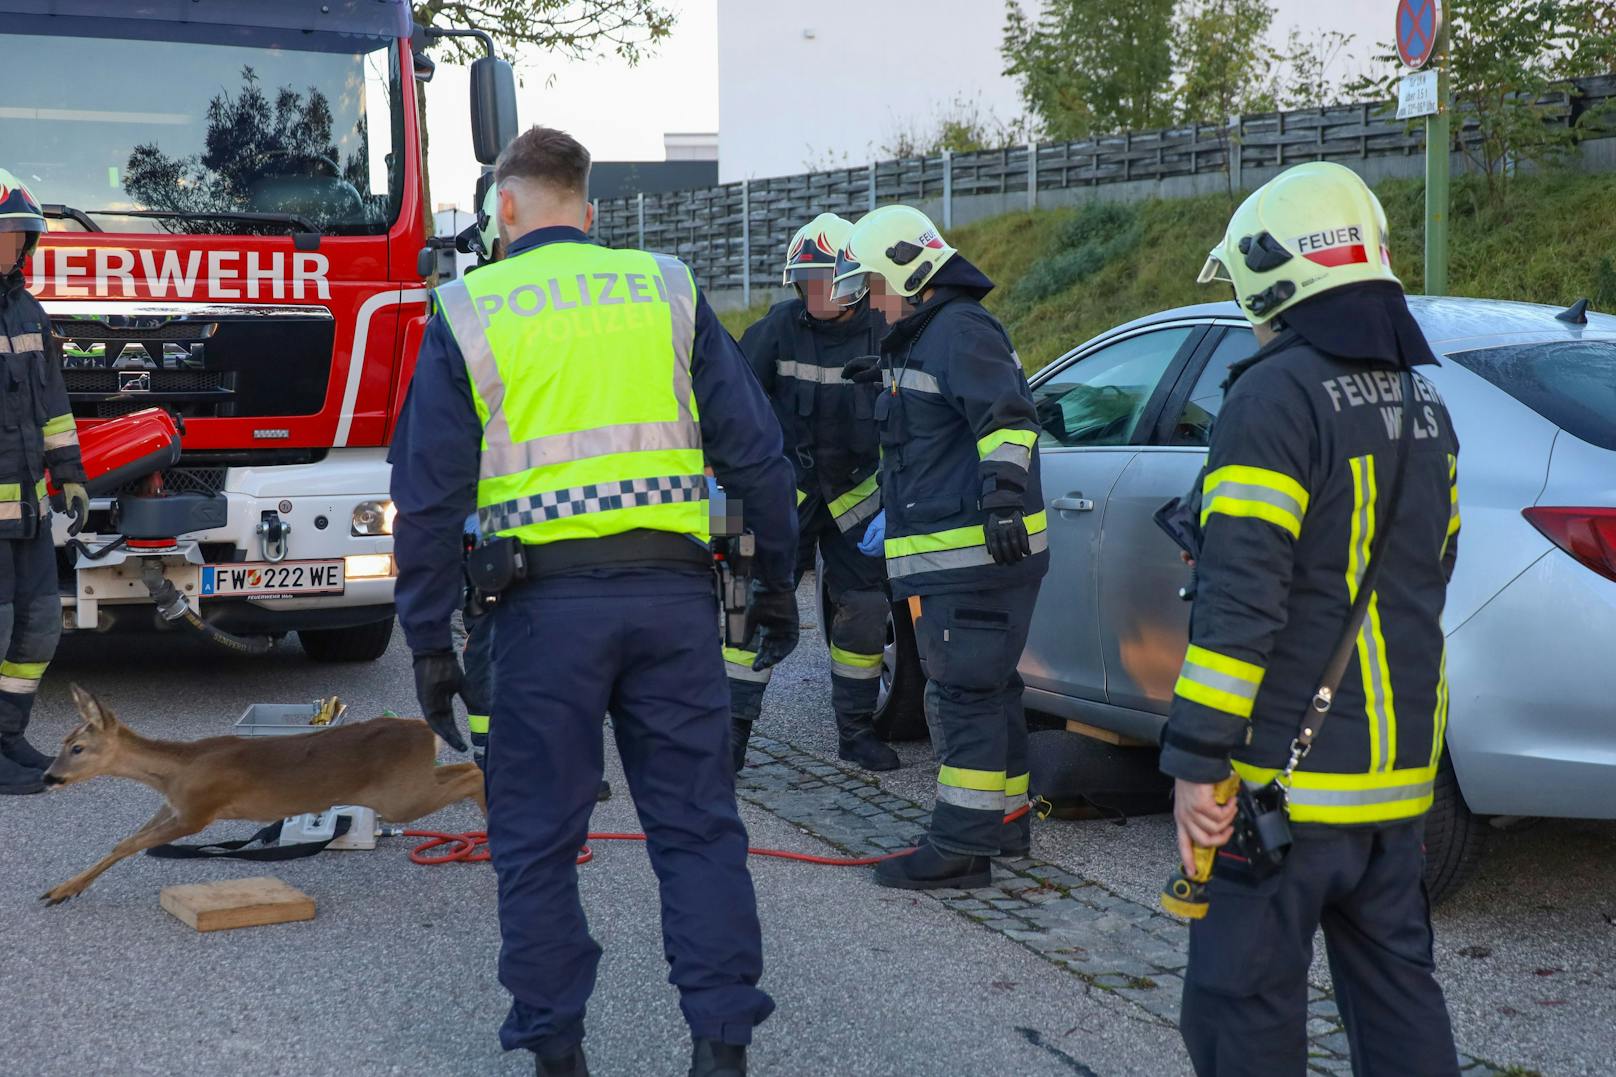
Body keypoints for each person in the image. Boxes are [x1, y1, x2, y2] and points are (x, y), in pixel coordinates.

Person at [389, 127, 799, 1077]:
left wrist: (426, 642)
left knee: (536, 841)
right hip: (672, 603)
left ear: (504, 211)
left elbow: (430, 493)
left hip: (537, 616)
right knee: (697, 827)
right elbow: (756, 456)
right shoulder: (665, 288)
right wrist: (771, 579)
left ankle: (558, 1053)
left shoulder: (469, 307)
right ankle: (719, 1049)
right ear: (590, 208)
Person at [1159, 161, 1461, 1075]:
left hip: (1277, 787)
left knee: (1237, 1008)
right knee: (1400, 1001)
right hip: (1399, 782)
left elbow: (1240, 605)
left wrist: (1198, 764)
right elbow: (1435, 564)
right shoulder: (1426, 400)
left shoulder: (1272, 396)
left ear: (1276, 274)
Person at [829, 204, 1048, 890]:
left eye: (874, 284)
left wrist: (1005, 496)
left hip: (977, 556)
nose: (872, 300)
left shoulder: (959, 331)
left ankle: (960, 846)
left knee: (966, 695)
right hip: (967, 555)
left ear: (909, 273)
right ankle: (1005, 826)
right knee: (992, 689)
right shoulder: (934, 335)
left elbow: (1008, 415)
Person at [728, 212, 897, 774]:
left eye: (826, 279)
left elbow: (915, 419)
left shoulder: (885, 332)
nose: (816, 291)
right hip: (783, 501)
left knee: (866, 614)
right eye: (808, 280)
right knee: (745, 615)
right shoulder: (774, 331)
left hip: (859, 507)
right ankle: (729, 738)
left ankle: (855, 731)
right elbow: (729, 410)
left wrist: (898, 497)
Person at [0, 169, 88, 796]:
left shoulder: (27, 310)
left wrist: (71, 476)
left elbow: (53, 406)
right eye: (6, 235)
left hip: (28, 511)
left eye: (19, 236)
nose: (15, 246)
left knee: (37, 628)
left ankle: (7, 737)